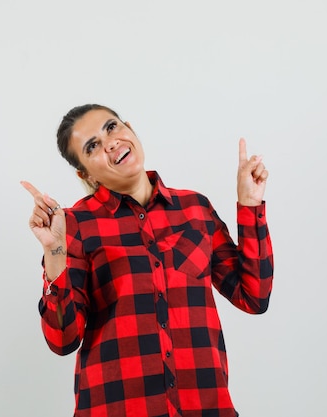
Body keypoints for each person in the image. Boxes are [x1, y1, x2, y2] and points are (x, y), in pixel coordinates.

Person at [21, 104, 273, 417]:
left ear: (129, 128)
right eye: (92, 146)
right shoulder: (73, 226)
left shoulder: (194, 208)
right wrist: (54, 251)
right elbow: (62, 340)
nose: (110, 142)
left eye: (111, 128)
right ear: (84, 173)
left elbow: (254, 296)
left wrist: (250, 205)